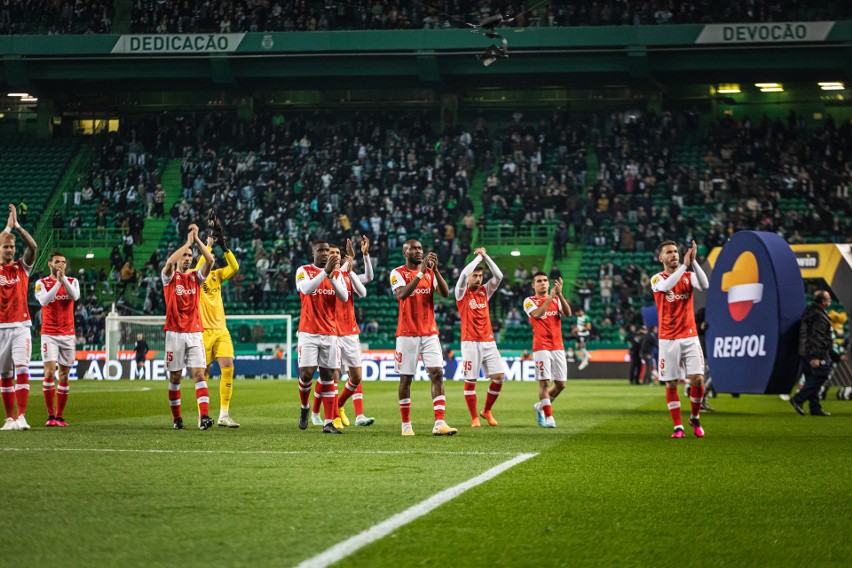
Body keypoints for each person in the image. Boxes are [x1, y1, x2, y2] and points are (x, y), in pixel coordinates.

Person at [390, 239, 456, 436]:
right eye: (414, 249)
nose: (418, 251)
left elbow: (444, 293)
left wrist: (435, 271)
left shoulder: (429, 273)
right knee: (406, 378)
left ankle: (440, 423)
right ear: (405, 253)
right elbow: (402, 294)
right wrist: (421, 273)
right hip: (406, 334)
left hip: (429, 333)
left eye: (420, 248)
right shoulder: (397, 273)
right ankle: (406, 424)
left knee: (437, 373)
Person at [310, 237, 376, 429]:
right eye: (331, 253)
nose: (335, 256)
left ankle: (338, 406)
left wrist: (364, 256)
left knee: (356, 376)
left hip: (350, 331)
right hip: (330, 331)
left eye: (338, 253)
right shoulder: (323, 276)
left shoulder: (348, 275)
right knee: (332, 374)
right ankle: (323, 414)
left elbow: (368, 281)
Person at [650, 240, 709, 438]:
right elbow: (667, 285)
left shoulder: (688, 275)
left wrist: (693, 262)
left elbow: (704, 284)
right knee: (672, 383)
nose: (674, 255)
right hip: (668, 339)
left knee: (698, 379)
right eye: (669, 252)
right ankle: (678, 426)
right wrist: (684, 265)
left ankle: (694, 417)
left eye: (676, 251)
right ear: (661, 258)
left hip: (690, 335)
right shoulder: (657, 279)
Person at [161, 223, 216, 430]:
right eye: (184, 255)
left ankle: (204, 418)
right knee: (175, 376)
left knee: (199, 374)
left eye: (189, 256)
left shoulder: (196, 277)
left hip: (194, 333)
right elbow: (168, 262)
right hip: (174, 333)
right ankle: (177, 418)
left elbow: (210, 260)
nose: (187, 258)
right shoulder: (169, 278)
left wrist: (197, 240)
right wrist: (187, 242)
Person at [294, 241, 348, 434]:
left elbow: (344, 297)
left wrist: (332, 277)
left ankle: (328, 422)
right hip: (308, 332)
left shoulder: (337, 273)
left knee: (328, 376)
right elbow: (306, 289)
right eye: (321, 250)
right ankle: (305, 407)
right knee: (307, 374)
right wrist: (325, 272)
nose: (325, 253)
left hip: (330, 333)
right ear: (313, 252)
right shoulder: (303, 270)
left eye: (327, 250)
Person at [194, 215, 241, 428]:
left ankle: (223, 414)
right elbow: (203, 262)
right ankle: (202, 414)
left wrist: (225, 246)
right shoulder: (194, 276)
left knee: (228, 366)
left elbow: (235, 267)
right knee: (202, 372)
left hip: (221, 330)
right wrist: (210, 244)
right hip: (202, 331)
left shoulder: (217, 276)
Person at [455, 247, 505, 427]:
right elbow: (462, 275)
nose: (478, 278)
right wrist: (477, 259)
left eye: (480, 276)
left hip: (488, 341)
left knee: (499, 376)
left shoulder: (485, 291)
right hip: (470, 342)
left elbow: (498, 276)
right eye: (474, 276)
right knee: (471, 381)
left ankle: (486, 410)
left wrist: (486, 257)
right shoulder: (461, 293)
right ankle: (474, 417)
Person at [0, 204, 38, 431]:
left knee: (22, 368)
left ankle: (22, 416)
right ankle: (9, 418)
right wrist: (6, 227)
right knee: (4, 374)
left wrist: (17, 227)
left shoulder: (22, 268)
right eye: (6, 246)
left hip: (21, 326)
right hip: (1, 327)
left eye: (12, 247)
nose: (10, 250)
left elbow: (33, 246)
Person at [34, 252, 80, 427]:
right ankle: (50, 416)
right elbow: (45, 301)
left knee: (64, 374)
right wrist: (58, 282)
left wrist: (63, 280)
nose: (61, 264)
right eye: (57, 262)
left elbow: (75, 297)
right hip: (49, 333)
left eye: (63, 262)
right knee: (49, 372)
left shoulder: (73, 281)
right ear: (50, 264)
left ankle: (60, 416)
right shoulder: (41, 283)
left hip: (68, 334)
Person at [524, 271, 572, 428]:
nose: (543, 283)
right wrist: (550, 298)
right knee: (544, 383)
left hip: (558, 346)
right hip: (541, 346)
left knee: (561, 385)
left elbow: (568, 313)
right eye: (539, 281)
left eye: (545, 280)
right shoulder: (529, 301)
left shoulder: (557, 300)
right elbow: (537, 315)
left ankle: (540, 406)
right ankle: (549, 417)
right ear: (533, 285)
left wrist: (560, 295)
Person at [790, 290, 837, 416]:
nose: (830, 301)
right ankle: (798, 399)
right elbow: (817, 337)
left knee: (812, 377)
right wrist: (816, 356)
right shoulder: (819, 316)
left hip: (804, 350)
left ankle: (815, 408)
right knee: (821, 374)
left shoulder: (811, 311)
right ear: (822, 301)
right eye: (828, 299)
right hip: (812, 352)